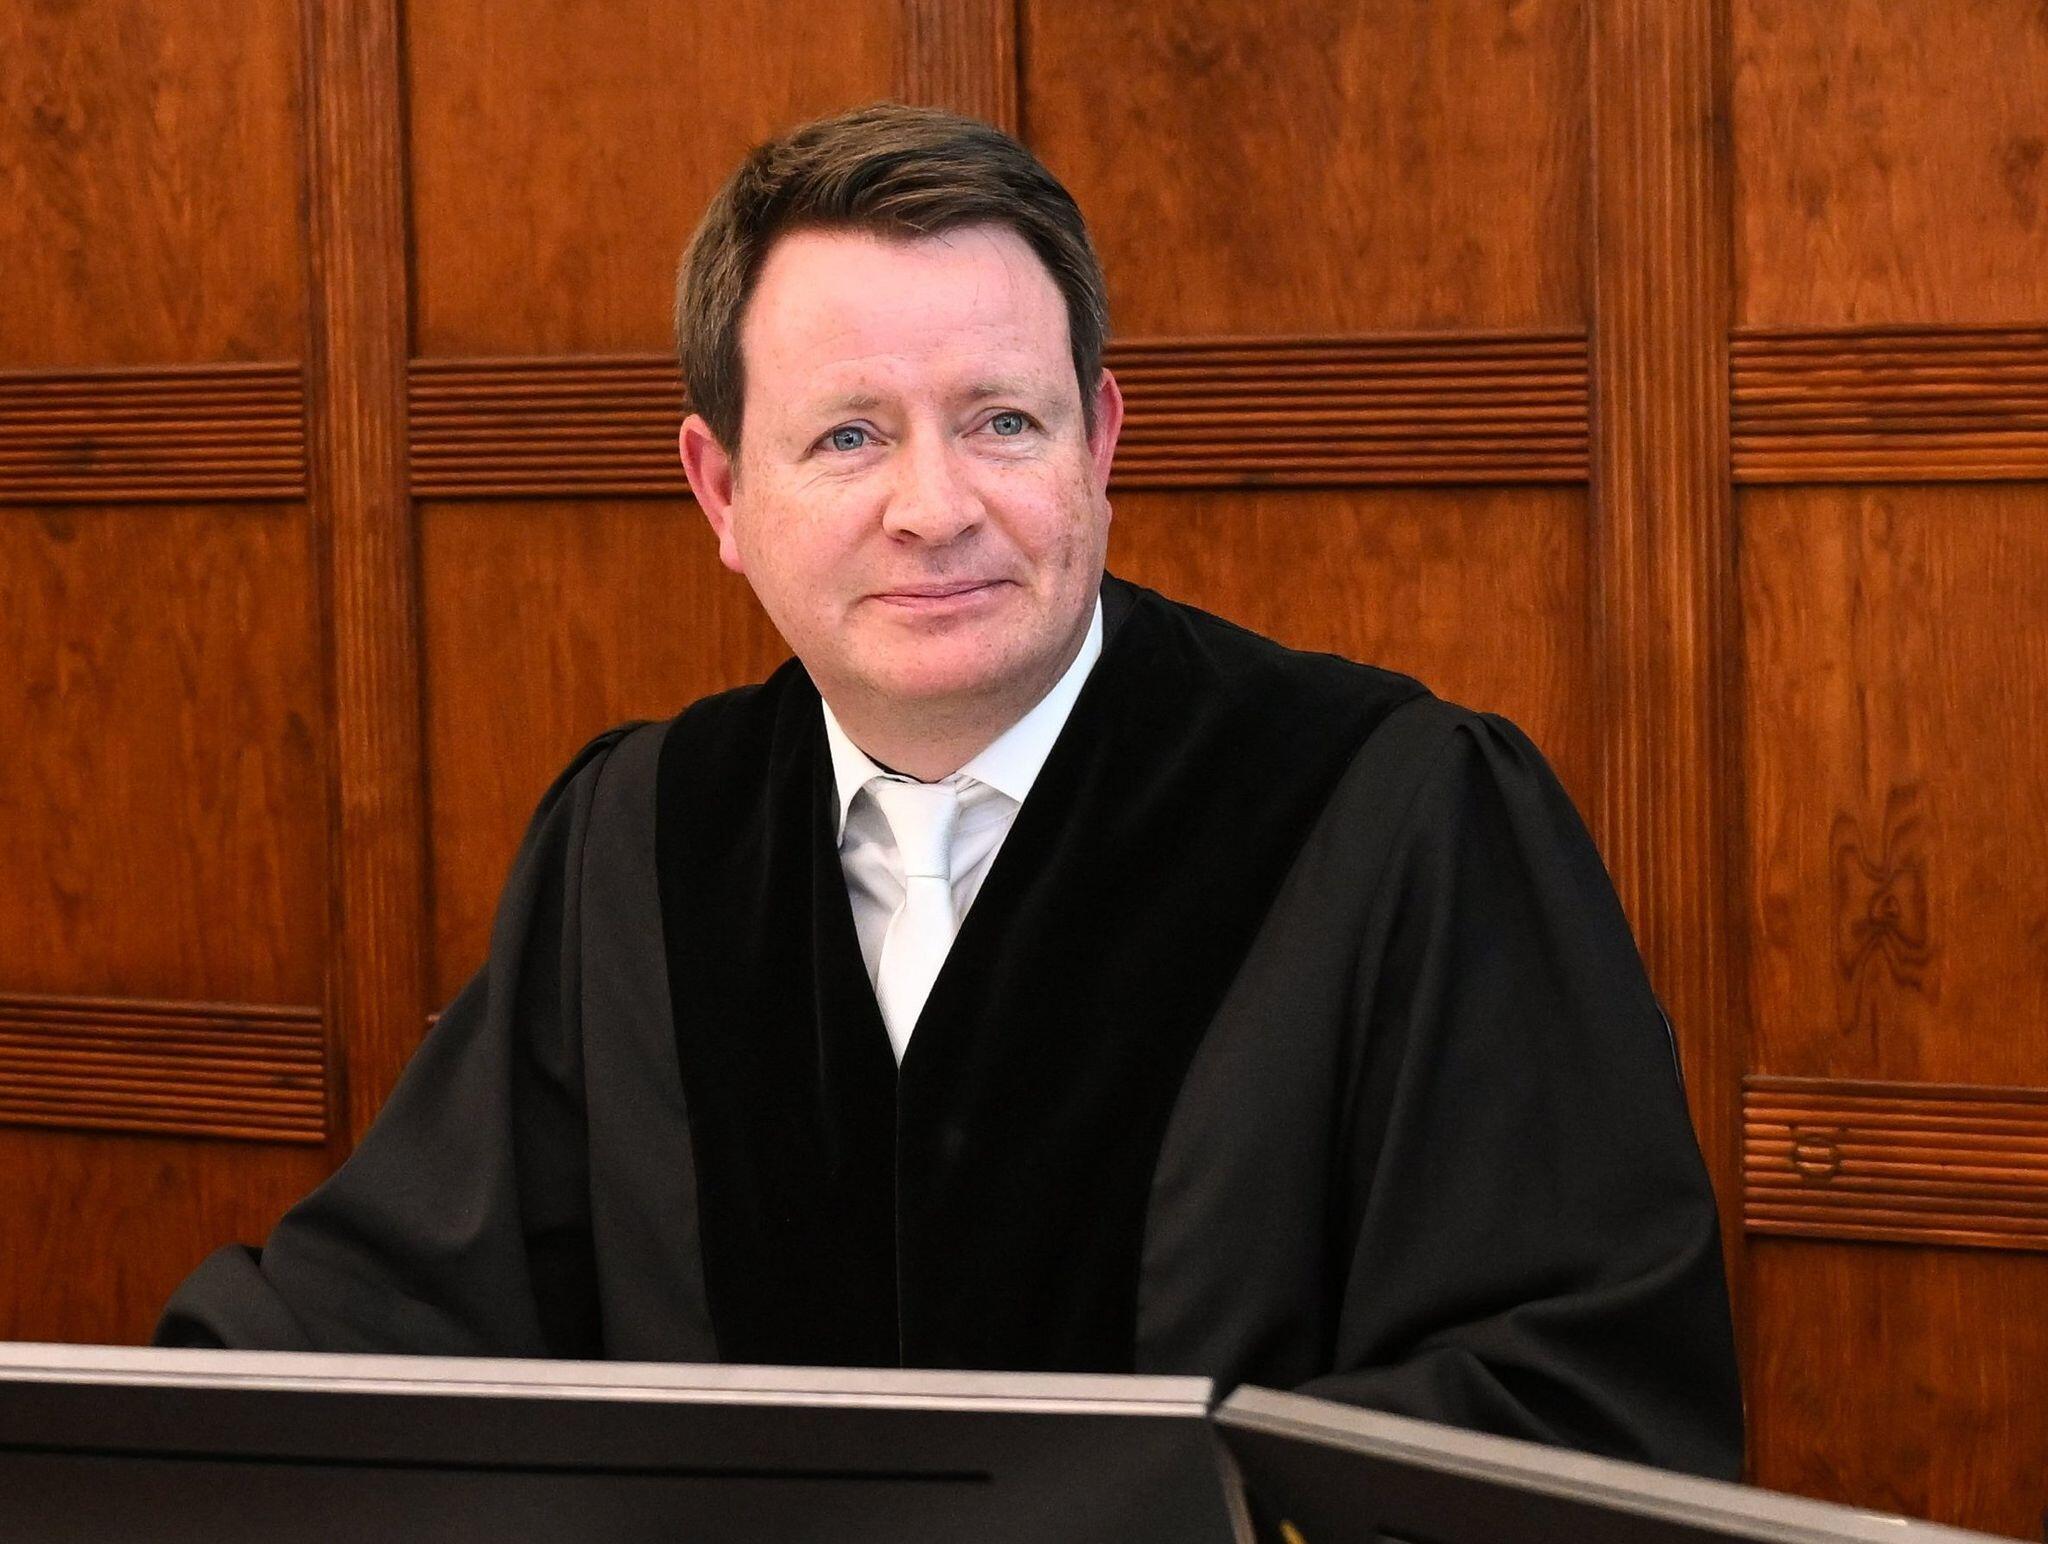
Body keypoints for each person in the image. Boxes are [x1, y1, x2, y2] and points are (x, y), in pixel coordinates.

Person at [159, 104, 1743, 1479]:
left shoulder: (1395, 817)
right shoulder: (642, 843)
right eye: (850, 436)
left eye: (1001, 421)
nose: (937, 507)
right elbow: (391, 1318)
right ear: (722, 490)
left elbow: (1572, 1402)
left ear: (1098, 443)